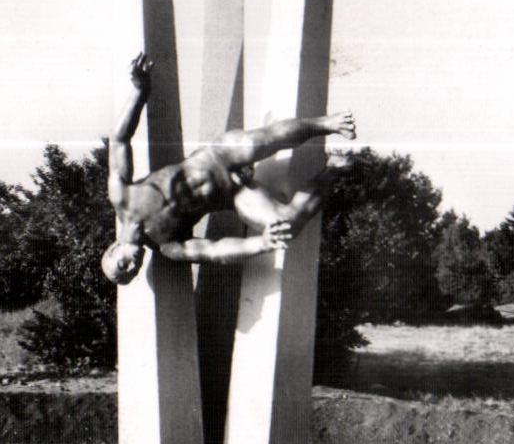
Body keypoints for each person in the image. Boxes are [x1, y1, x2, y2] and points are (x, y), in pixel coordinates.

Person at [102, 52, 355, 285]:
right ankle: (333, 169)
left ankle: (326, 124)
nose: (133, 266)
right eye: (133, 272)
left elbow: (119, 140)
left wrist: (140, 90)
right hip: (233, 192)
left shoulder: (122, 197)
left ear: (114, 249)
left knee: (255, 143)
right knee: (286, 225)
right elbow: (215, 251)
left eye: (123, 266)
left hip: (217, 156)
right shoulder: (168, 247)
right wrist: (262, 243)